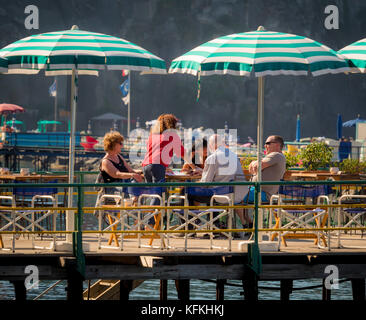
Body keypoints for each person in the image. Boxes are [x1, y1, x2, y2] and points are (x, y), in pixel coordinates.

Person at [187, 134, 249, 236]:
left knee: (190, 193)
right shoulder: (233, 155)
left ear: (211, 145)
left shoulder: (212, 158)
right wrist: (203, 171)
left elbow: (205, 183)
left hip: (222, 196)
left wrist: (200, 179)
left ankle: (190, 227)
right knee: (211, 192)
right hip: (238, 195)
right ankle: (214, 226)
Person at [142, 113, 198, 183]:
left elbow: (153, 153)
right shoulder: (172, 136)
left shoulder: (152, 136)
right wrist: (194, 168)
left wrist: (164, 167)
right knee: (158, 191)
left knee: (150, 192)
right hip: (158, 165)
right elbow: (182, 153)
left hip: (145, 165)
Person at [99, 131, 143, 196]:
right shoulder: (106, 161)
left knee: (139, 190)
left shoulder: (118, 156)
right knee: (134, 190)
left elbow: (130, 171)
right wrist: (133, 175)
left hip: (123, 189)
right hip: (112, 193)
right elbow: (117, 174)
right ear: (113, 144)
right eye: (120, 143)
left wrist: (143, 172)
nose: (122, 146)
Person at [248, 135, 286, 201]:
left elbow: (256, 166)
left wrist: (255, 163)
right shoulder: (274, 157)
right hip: (256, 190)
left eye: (268, 143)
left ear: (277, 145)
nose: (265, 146)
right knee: (235, 194)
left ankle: (235, 211)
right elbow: (251, 169)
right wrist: (256, 164)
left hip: (262, 193)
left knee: (235, 195)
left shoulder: (276, 155)